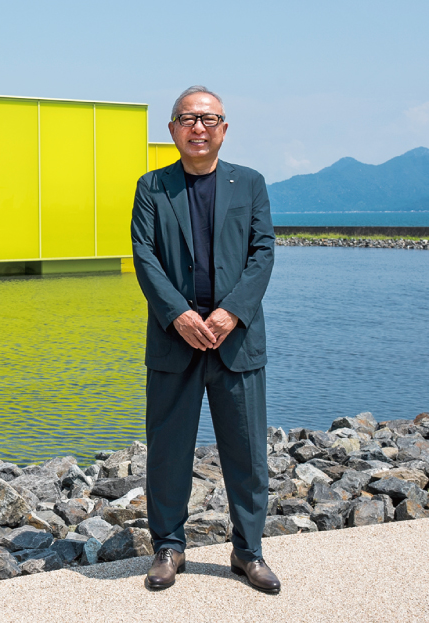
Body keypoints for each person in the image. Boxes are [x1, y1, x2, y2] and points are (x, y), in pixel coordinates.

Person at [130, 86, 279, 593]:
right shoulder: (152, 187)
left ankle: (248, 551)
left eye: (209, 119)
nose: (199, 127)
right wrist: (178, 315)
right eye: (188, 118)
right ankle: (168, 548)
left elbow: (263, 253)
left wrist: (231, 312)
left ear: (224, 128)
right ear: (172, 129)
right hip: (175, 341)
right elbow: (144, 255)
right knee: (168, 451)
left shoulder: (250, 183)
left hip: (236, 340)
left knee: (247, 452)